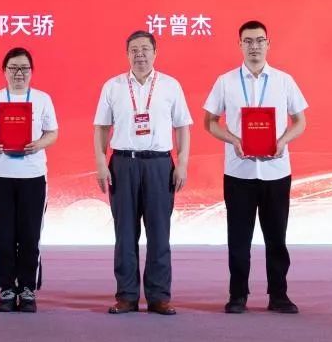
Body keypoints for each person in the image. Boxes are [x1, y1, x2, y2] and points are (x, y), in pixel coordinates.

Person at [203, 21, 308, 314]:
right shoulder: (226, 81)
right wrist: (233, 139)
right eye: (248, 41)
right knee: (239, 239)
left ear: (268, 44)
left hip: (276, 172)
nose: (254, 46)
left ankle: (279, 295)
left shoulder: (284, 81)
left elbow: (300, 121)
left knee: (277, 238)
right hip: (240, 172)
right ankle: (238, 295)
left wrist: (283, 140)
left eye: (260, 40)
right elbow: (210, 122)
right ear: (240, 45)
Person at [94, 30, 192, 315]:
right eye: (134, 50)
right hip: (123, 163)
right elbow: (101, 128)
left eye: (145, 49)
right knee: (124, 233)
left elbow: (182, 127)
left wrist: (182, 163)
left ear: (155, 52)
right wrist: (101, 163)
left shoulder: (170, 86)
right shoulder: (113, 86)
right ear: (127, 54)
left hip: (159, 165)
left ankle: (159, 296)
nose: (140, 55)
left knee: (159, 232)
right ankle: (126, 296)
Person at [0, 47, 59, 313]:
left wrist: (38, 144)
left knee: (30, 235)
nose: (19, 73)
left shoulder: (43, 99)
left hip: (33, 176)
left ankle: (27, 289)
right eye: (13, 68)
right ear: (4, 71)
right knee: (3, 236)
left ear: (31, 71)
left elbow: (52, 132)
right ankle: (7, 289)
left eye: (24, 68)